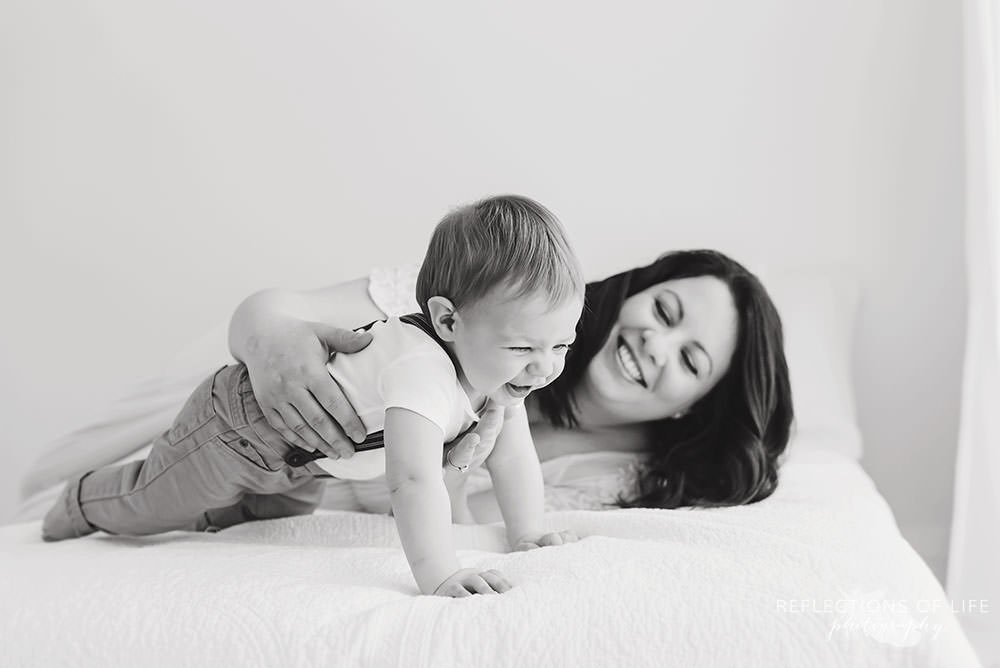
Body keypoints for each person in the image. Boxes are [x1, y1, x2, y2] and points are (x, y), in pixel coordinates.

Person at [41, 195, 586, 598]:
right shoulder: (422, 372)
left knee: (259, 526)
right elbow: (413, 481)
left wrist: (528, 531)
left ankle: (215, 515)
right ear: (447, 320)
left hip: (305, 465)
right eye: (524, 348)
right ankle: (80, 502)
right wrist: (441, 573)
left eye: (563, 343)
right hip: (238, 430)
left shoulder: (499, 375)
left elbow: (513, 457)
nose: (546, 367)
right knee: (152, 503)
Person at [229, 249, 793, 519]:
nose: (655, 344)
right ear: (635, 291)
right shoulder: (499, 304)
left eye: (691, 362)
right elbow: (271, 308)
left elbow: (463, 531)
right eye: (665, 312)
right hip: (237, 428)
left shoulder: (626, 483)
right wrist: (270, 341)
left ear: (694, 408)